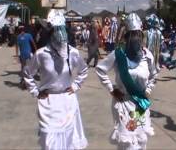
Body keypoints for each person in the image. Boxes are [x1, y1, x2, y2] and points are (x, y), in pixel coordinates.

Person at [23, 9, 88, 149]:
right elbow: (28, 73)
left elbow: (83, 70)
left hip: (68, 101)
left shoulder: (73, 52)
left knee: (69, 140)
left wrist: (76, 85)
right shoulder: (41, 54)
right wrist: (35, 91)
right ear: (50, 33)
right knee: (49, 141)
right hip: (48, 103)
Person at [96, 13, 157, 150]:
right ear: (126, 37)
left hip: (140, 104)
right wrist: (112, 89)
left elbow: (154, 75)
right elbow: (100, 69)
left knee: (140, 141)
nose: (136, 38)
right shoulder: (118, 54)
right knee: (127, 144)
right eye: (132, 35)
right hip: (123, 103)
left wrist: (148, 90)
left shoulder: (147, 55)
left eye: (138, 35)